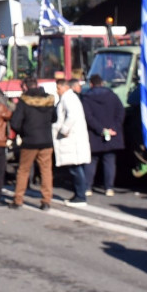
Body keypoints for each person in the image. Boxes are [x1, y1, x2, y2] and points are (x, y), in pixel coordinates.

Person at [10, 78, 57, 210]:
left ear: (25, 87)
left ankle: (18, 199)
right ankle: (46, 201)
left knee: (23, 170)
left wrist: (23, 132)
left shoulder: (24, 101)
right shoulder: (49, 100)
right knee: (46, 170)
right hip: (46, 139)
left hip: (29, 140)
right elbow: (55, 118)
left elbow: (15, 122)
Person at [81, 74, 125, 196]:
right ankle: (109, 188)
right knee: (109, 161)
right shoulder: (113, 96)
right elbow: (120, 112)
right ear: (102, 83)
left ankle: (88, 187)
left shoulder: (86, 98)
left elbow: (88, 117)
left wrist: (100, 129)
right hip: (112, 134)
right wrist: (114, 128)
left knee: (91, 161)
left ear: (91, 84)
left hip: (93, 134)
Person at [54, 78, 91, 206]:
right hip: (74, 138)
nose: (57, 91)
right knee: (76, 168)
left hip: (72, 139)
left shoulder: (68, 98)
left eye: (58, 88)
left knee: (76, 168)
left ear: (65, 87)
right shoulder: (69, 98)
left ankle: (80, 196)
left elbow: (72, 115)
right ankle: (78, 194)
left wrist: (64, 129)